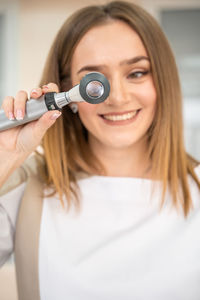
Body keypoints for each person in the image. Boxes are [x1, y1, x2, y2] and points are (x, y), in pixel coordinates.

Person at [0, 1, 200, 299]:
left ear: (163, 81)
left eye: (137, 73)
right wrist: (6, 156)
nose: (117, 98)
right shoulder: (24, 187)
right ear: (69, 95)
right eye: (95, 80)